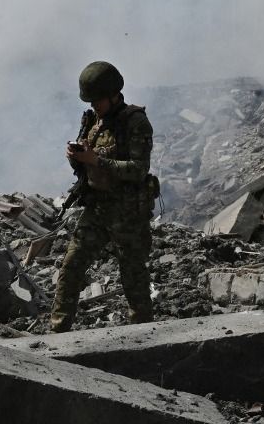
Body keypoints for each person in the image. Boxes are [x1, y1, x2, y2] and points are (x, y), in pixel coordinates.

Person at [50, 61, 157, 333]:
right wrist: (77, 158)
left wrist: (96, 160)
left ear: (113, 94)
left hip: (127, 213)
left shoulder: (136, 122)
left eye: (98, 100)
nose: (94, 105)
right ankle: (57, 332)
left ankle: (144, 336)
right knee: (71, 268)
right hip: (97, 209)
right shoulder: (93, 122)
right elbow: (86, 167)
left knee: (133, 278)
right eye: (91, 100)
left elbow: (138, 169)